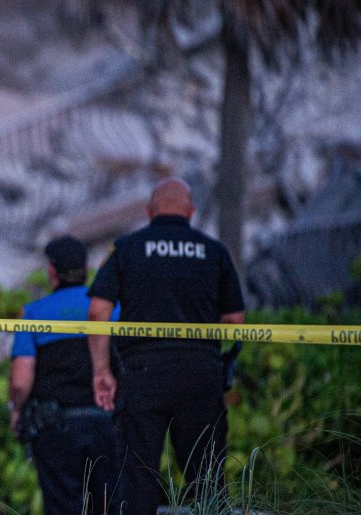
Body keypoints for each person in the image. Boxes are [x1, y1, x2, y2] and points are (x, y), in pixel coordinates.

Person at [86, 177, 246, 515]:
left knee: (136, 480)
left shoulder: (127, 247)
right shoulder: (214, 251)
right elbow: (235, 321)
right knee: (206, 479)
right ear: (190, 212)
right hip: (200, 372)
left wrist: (101, 370)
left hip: (142, 373)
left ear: (149, 211)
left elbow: (98, 310)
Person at [10, 236, 118, 515]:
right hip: (108, 423)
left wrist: (17, 409)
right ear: (86, 268)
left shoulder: (35, 313)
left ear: (52, 272)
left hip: (56, 427)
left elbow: (21, 381)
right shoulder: (111, 311)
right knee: (110, 506)